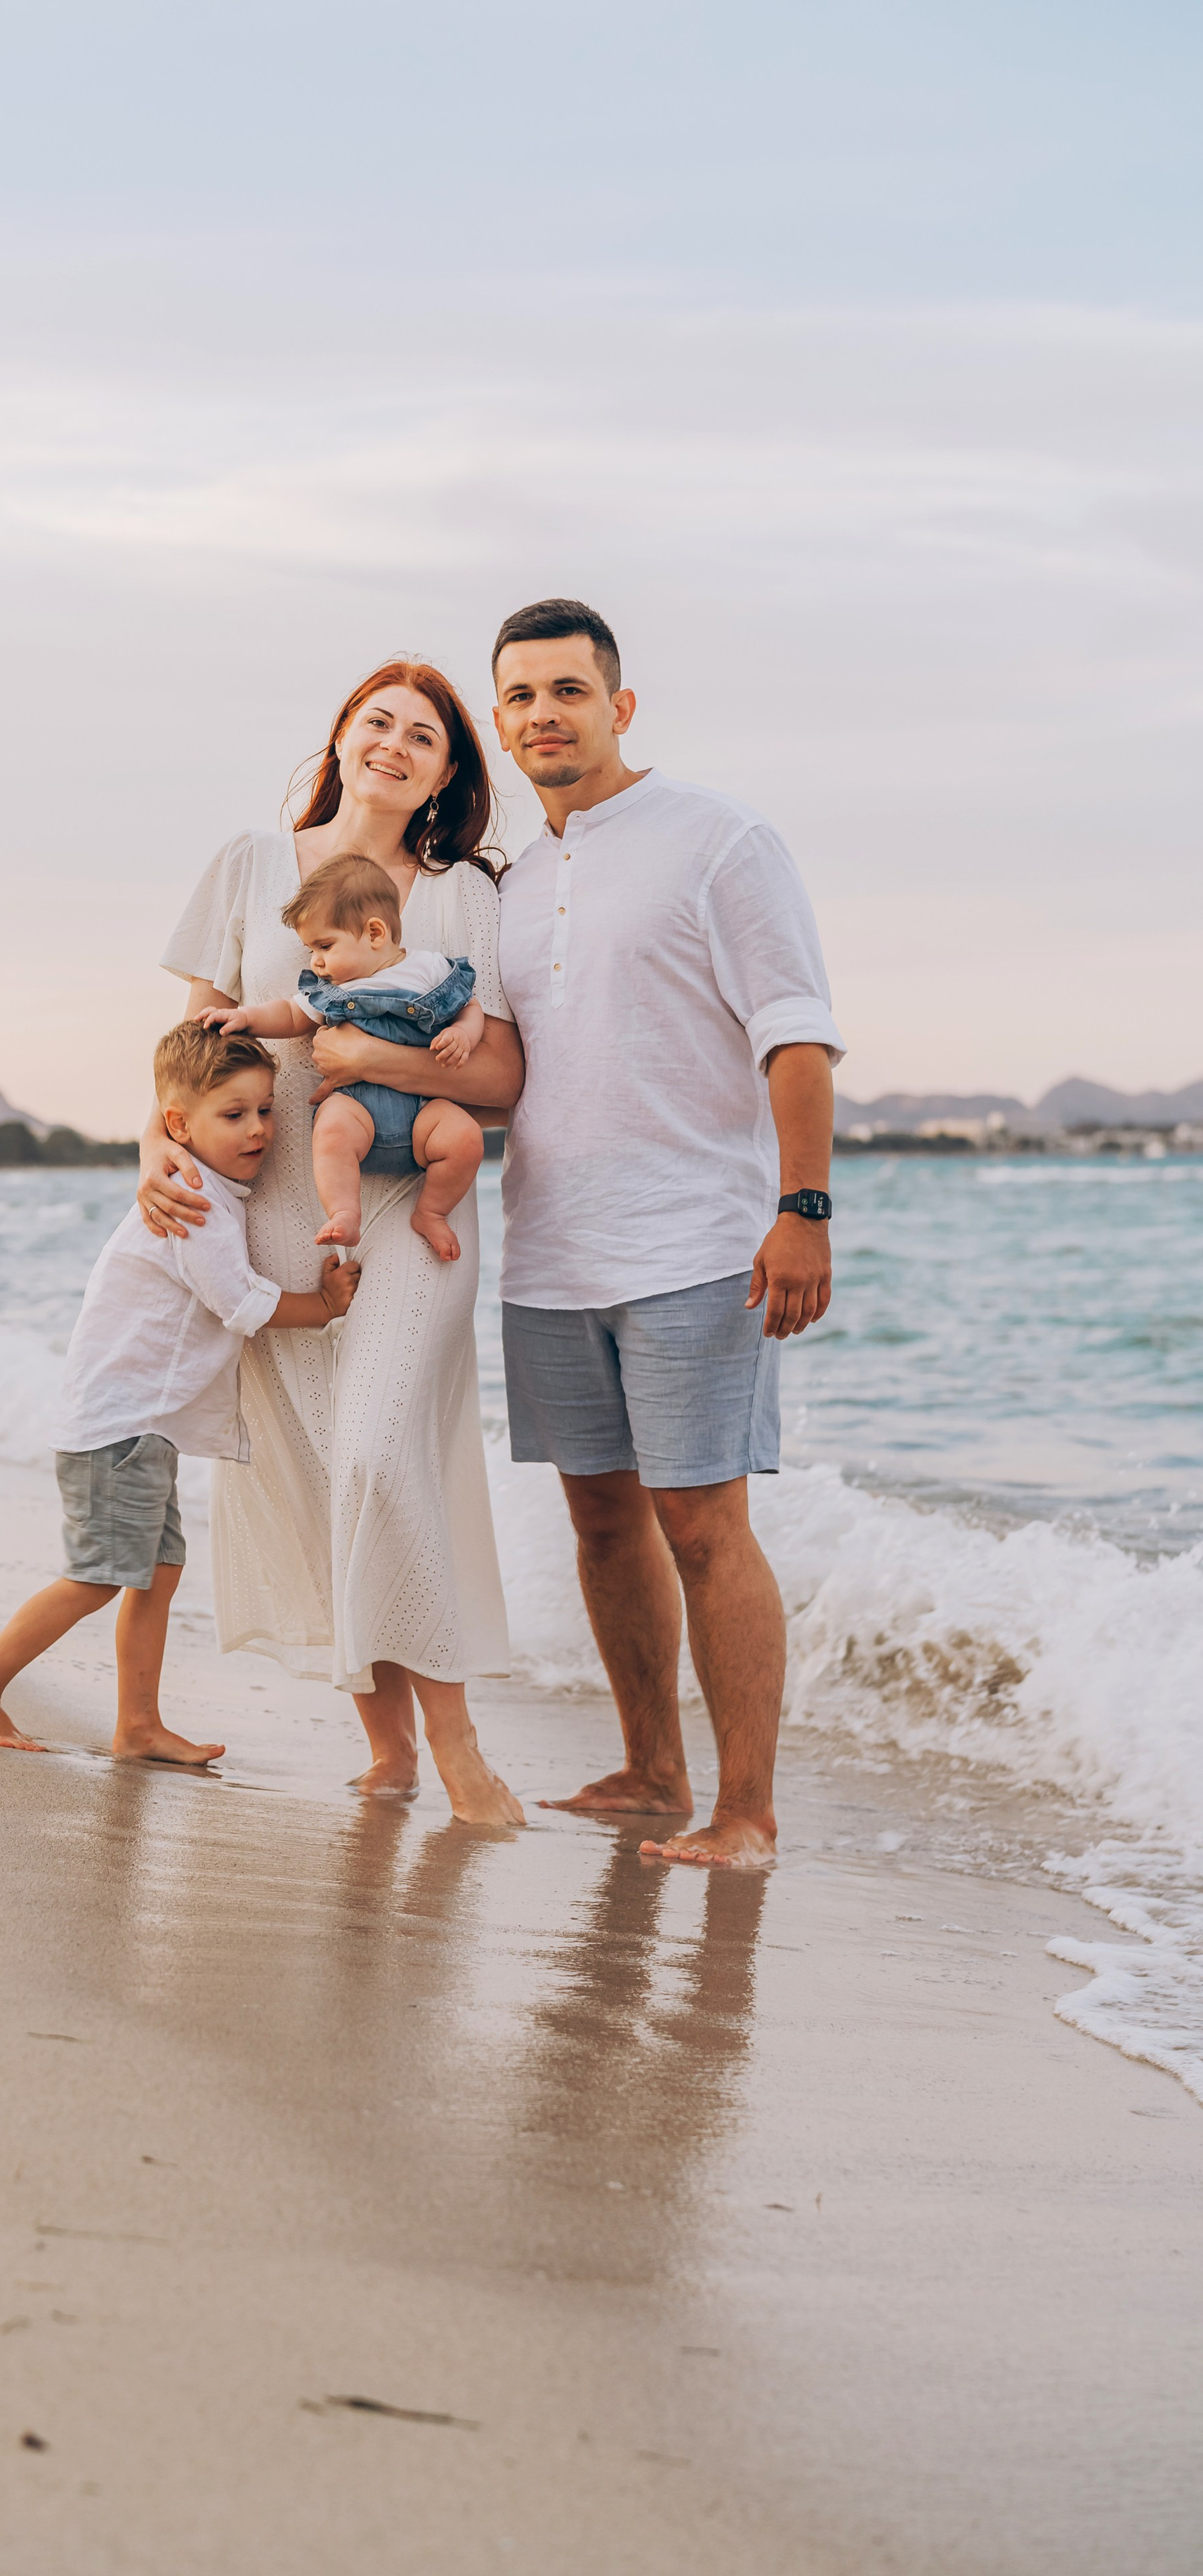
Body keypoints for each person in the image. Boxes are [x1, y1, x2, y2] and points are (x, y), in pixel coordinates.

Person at [490, 596, 843, 1872]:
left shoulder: (718, 838)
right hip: (549, 1251)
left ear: (619, 706)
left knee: (703, 1525)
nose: (545, 715)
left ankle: (745, 1814)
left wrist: (802, 1208)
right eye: (521, 696)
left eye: (568, 691)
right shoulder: (509, 884)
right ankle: (651, 1769)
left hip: (698, 1244)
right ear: (500, 722)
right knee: (601, 1523)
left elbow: (796, 1032)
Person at [142, 662, 525, 1826]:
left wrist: (370, 1061)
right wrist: (157, 1154)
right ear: (342, 737)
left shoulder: (460, 896)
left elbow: (505, 1077)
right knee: (319, 1474)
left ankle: (457, 1746)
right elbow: (191, 1048)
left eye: (424, 736)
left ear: (446, 774)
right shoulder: (251, 865)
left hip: (412, 1209)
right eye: (378, 722)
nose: (395, 744)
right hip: (271, 1213)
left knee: (374, 1452)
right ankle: (386, 1746)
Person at [0, 1023, 360, 1763]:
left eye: (266, 1110)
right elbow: (239, 1302)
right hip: (121, 1426)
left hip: (140, 1427)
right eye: (234, 1114)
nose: (258, 1129)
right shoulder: (194, 1198)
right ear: (177, 1125)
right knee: (99, 1576)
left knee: (157, 1573)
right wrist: (323, 1306)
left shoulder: (209, 1191)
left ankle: (137, 1725)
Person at [197, 848, 487, 1261]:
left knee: (465, 1138)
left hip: (425, 1111)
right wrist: (244, 1018)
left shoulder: (431, 970)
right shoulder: (335, 991)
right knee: (331, 1128)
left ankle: (432, 1212)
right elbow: (290, 1015)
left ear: (375, 933)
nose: (316, 962)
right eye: (311, 950)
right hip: (359, 1110)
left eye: (325, 945)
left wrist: (463, 1034)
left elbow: (469, 1006)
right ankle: (345, 1211)